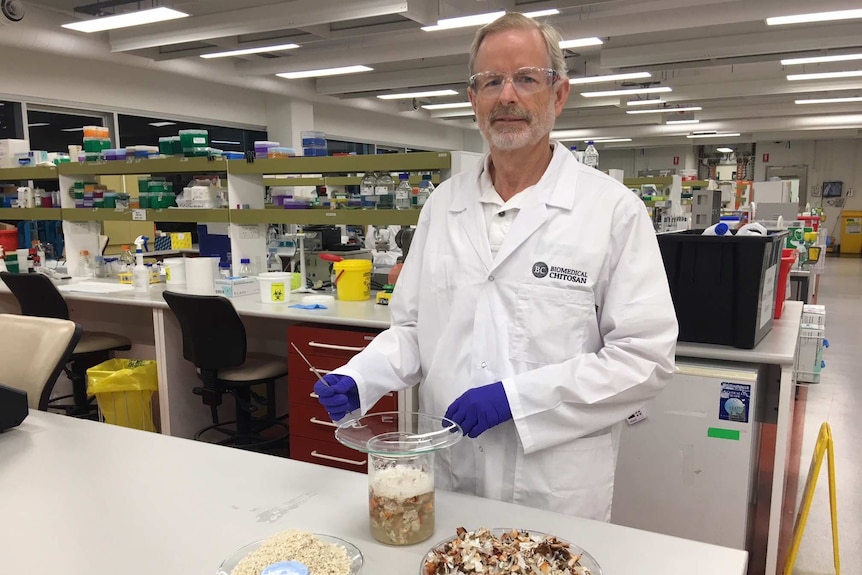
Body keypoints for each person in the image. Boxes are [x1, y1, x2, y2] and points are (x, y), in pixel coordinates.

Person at [315, 12, 678, 521]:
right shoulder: (443, 205)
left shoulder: (612, 211)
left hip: (552, 482)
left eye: (526, 78)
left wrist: (517, 399)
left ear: (558, 94)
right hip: (451, 466)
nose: (507, 96)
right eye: (491, 81)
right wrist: (361, 377)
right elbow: (416, 329)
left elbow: (644, 359)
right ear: (473, 99)